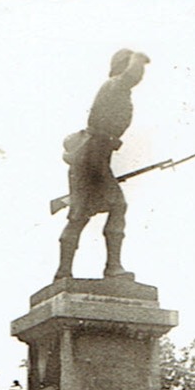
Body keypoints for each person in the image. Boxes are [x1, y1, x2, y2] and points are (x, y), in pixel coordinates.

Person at [56, 49, 150, 281]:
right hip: (92, 155)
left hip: (94, 155)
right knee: (113, 206)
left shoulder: (118, 89)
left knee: (81, 214)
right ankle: (112, 267)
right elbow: (133, 75)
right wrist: (139, 57)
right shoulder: (116, 84)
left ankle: (65, 271)